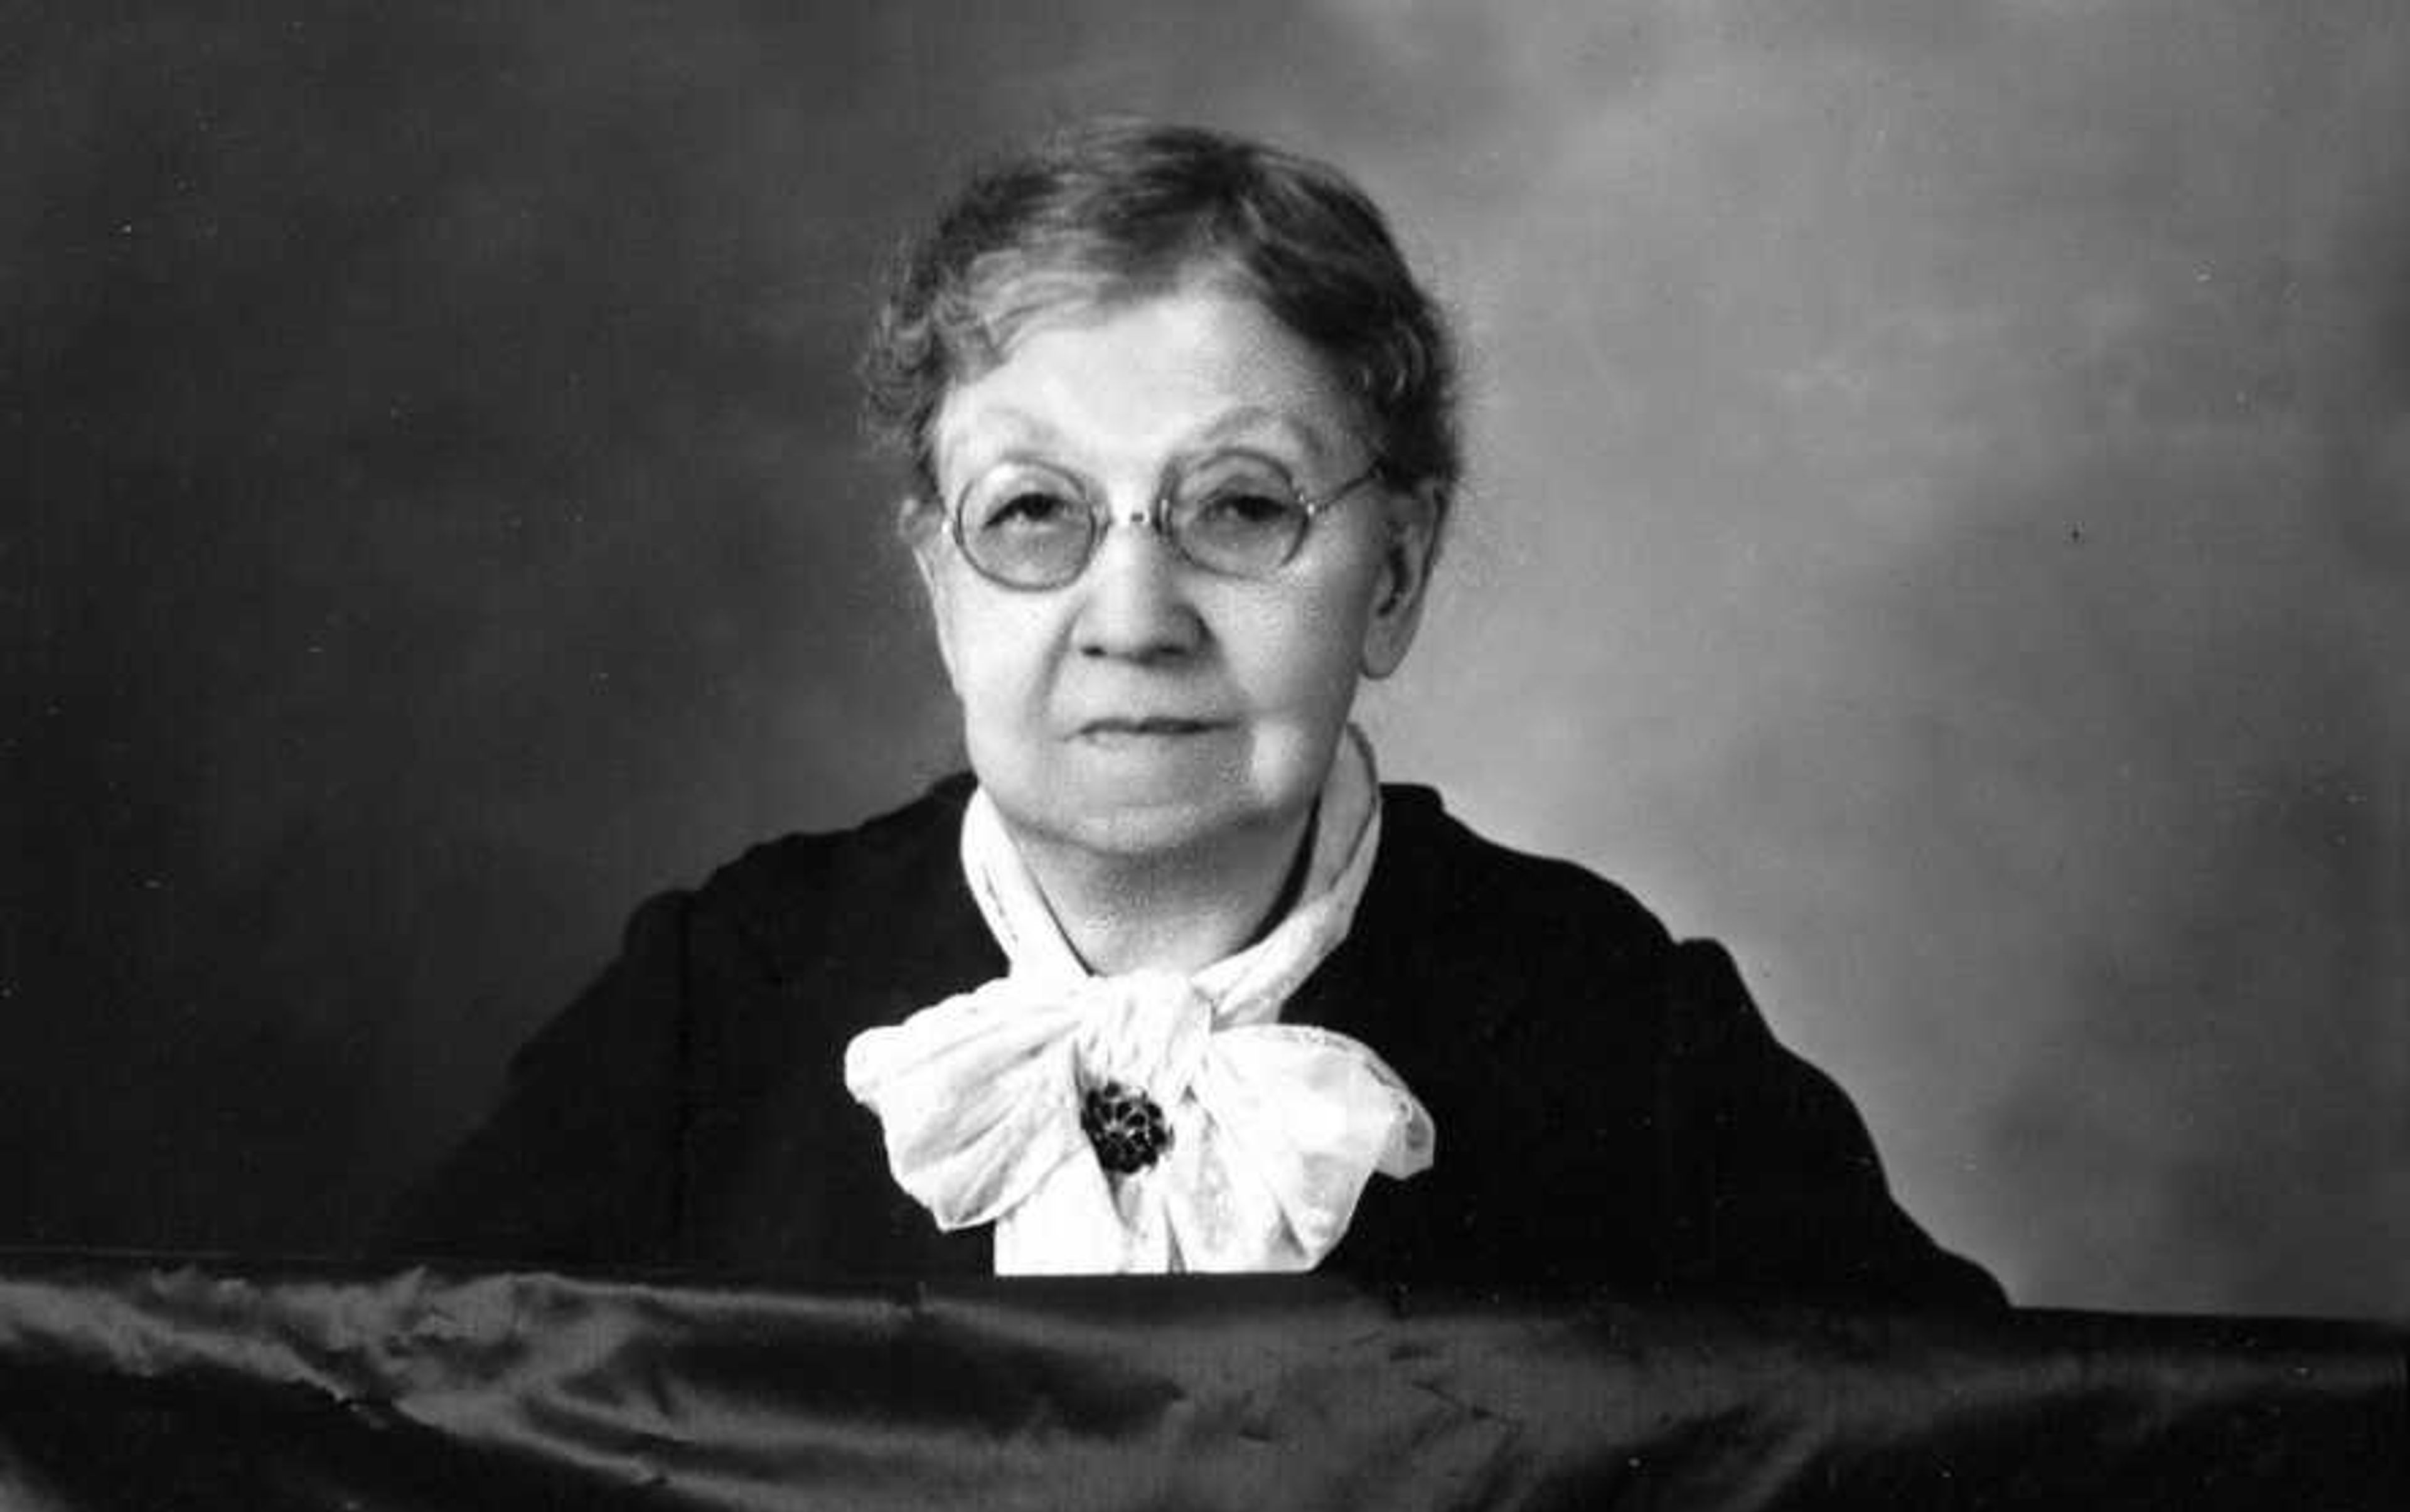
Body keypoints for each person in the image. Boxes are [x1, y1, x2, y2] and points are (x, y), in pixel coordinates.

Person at [401, 121, 2001, 1308]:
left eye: (1239, 509)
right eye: (1033, 515)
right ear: (941, 585)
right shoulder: (719, 1009)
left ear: (1394, 576)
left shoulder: (1619, 1038)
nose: (1132, 621)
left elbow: (1990, 1507)